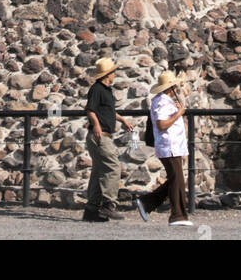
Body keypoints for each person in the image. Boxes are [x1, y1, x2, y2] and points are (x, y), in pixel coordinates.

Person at [136, 70, 193, 228]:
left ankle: (148, 203)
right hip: (170, 146)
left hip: (172, 146)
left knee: (176, 180)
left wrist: (176, 109)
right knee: (177, 180)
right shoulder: (161, 101)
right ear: (171, 86)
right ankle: (177, 215)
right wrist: (179, 114)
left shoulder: (164, 100)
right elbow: (162, 124)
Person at [83, 57, 133, 223]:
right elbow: (90, 110)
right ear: (108, 74)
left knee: (99, 171)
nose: (115, 74)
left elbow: (109, 111)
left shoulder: (107, 90)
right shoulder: (97, 89)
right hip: (99, 135)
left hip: (104, 135)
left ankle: (91, 210)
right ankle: (108, 205)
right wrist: (96, 125)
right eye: (113, 72)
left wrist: (122, 120)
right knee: (112, 166)